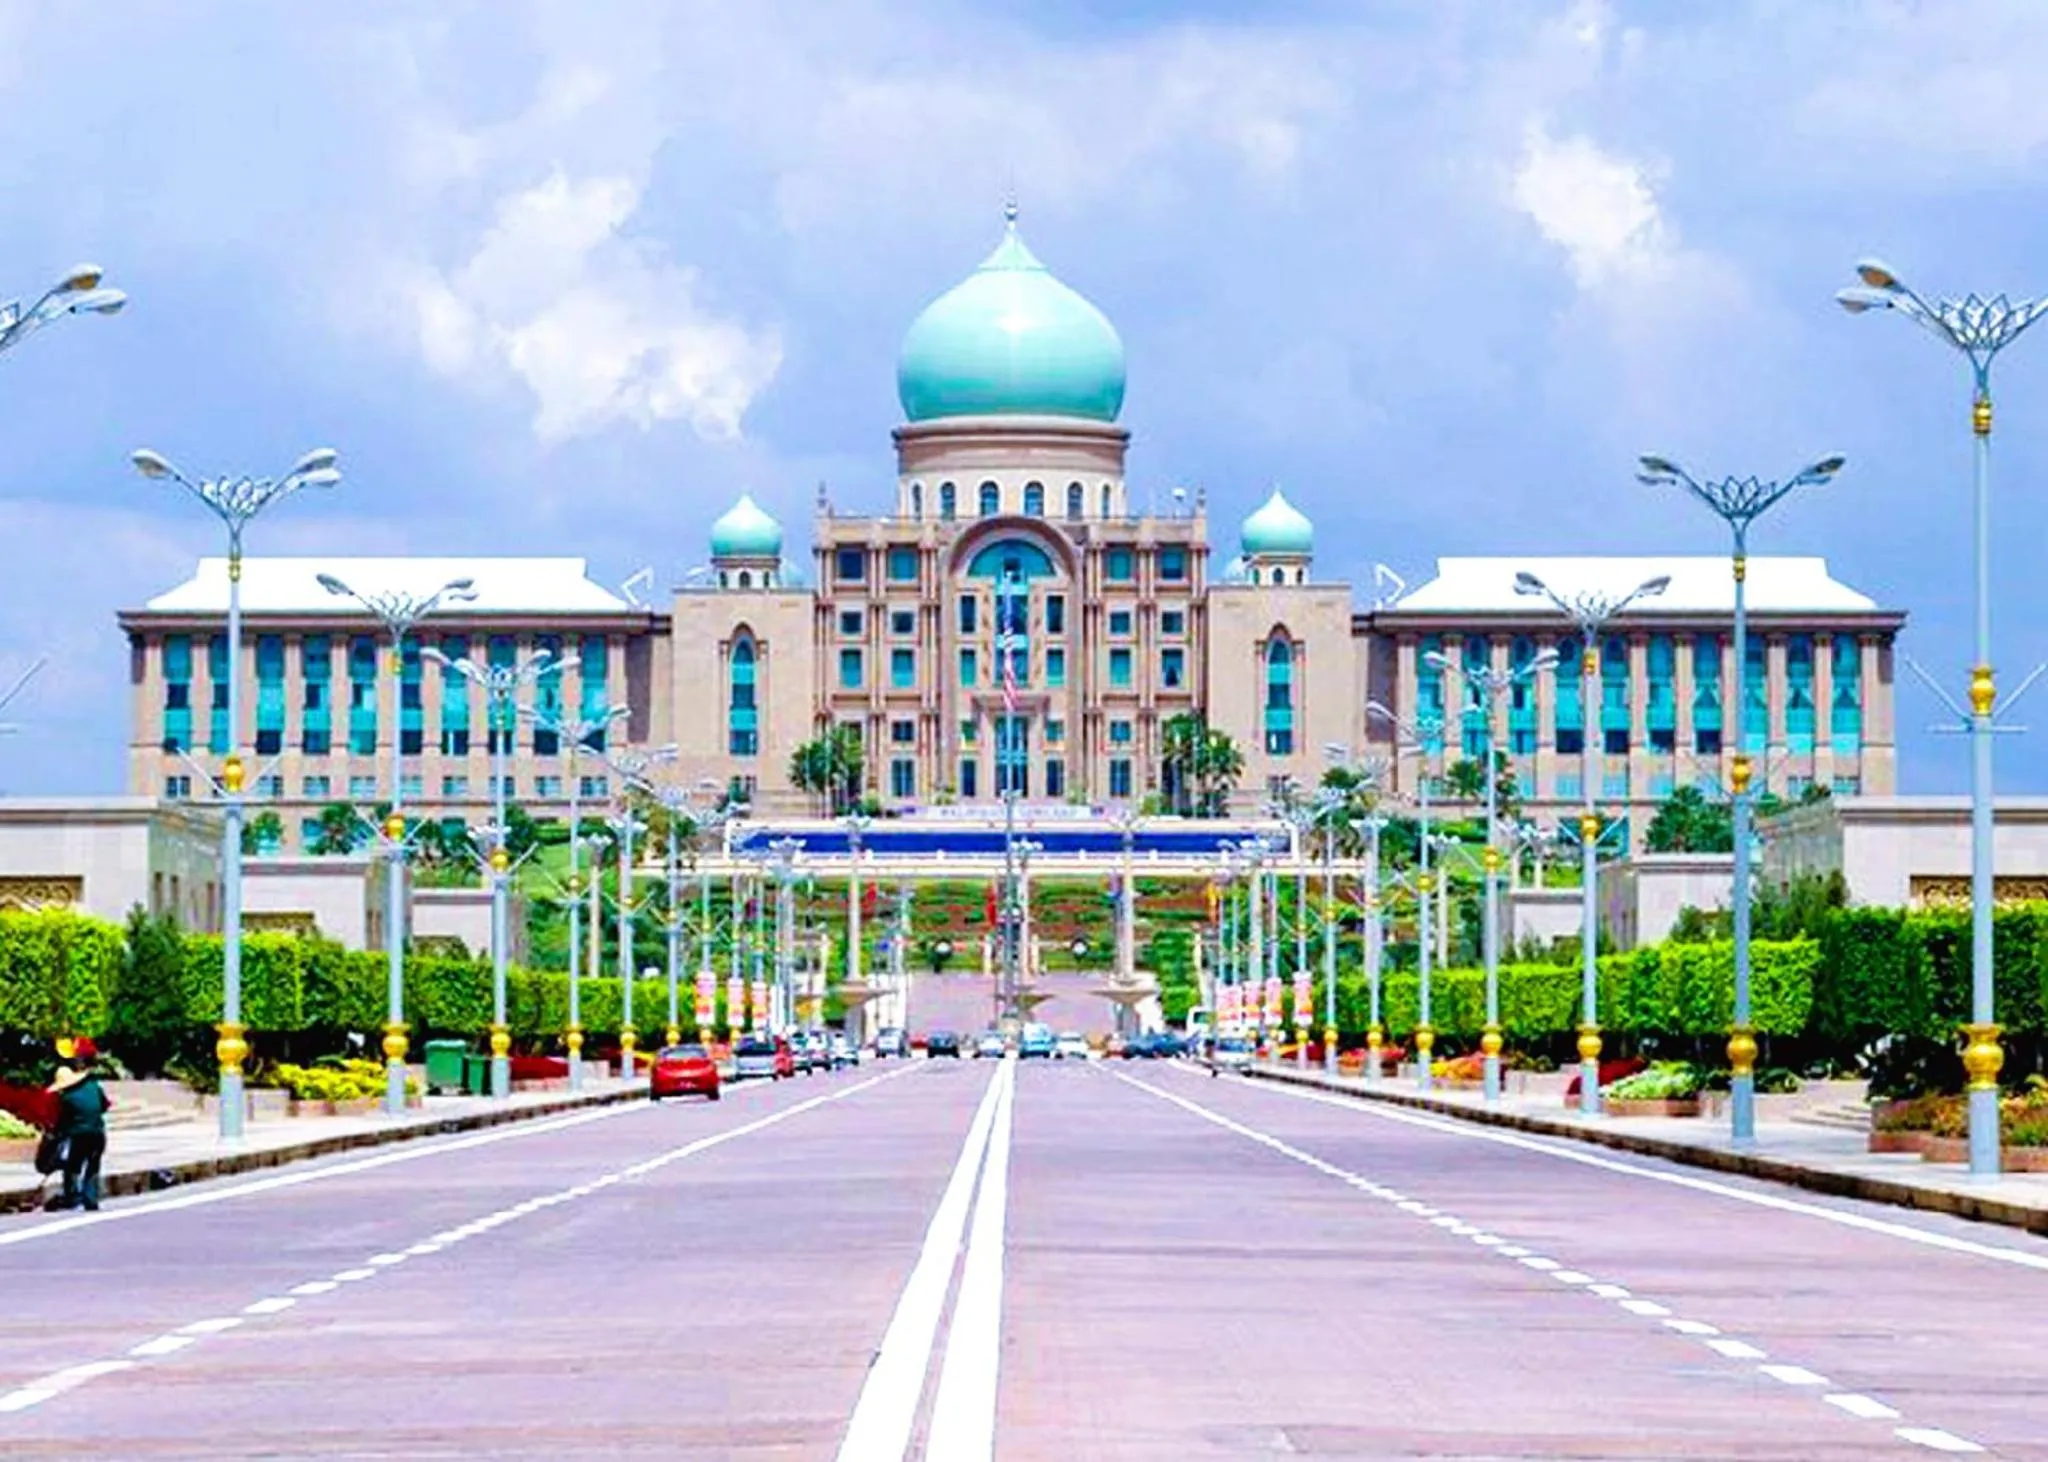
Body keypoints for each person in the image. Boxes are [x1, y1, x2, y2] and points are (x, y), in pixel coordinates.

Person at [48, 1039, 110, 1212]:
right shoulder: (93, 1085)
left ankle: (71, 1196)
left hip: (79, 1134)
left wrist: (56, 1133)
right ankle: (90, 1199)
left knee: (72, 1164)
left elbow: (62, 1121)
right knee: (93, 1165)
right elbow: (104, 1106)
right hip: (98, 1133)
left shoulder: (67, 1097)